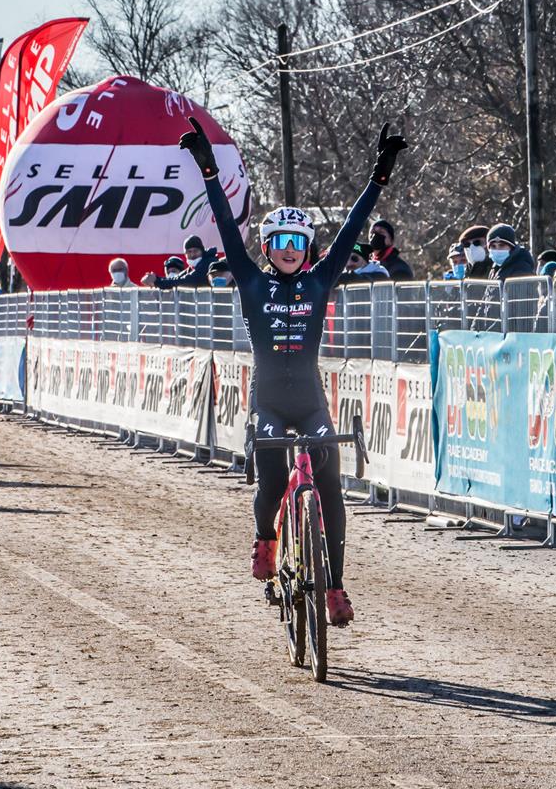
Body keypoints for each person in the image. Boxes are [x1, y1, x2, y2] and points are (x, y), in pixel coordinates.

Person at [179, 115, 406, 626]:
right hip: (268, 400)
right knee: (275, 476)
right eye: (279, 241)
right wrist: (208, 171)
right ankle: (265, 540)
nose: (287, 249)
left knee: (329, 482)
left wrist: (380, 174)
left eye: (296, 242)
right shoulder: (250, 281)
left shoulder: (322, 278)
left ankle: (336, 588)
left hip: (309, 398)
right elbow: (222, 226)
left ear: (307, 250)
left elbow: (352, 229)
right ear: (267, 247)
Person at [143, 235, 217, 289]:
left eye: (196, 251)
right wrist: (156, 278)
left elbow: (189, 280)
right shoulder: (192, 268)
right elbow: (178, 278)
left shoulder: (209, 263)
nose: (192, 254)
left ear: (202, 251)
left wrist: (157, 282)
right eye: (189, 252)